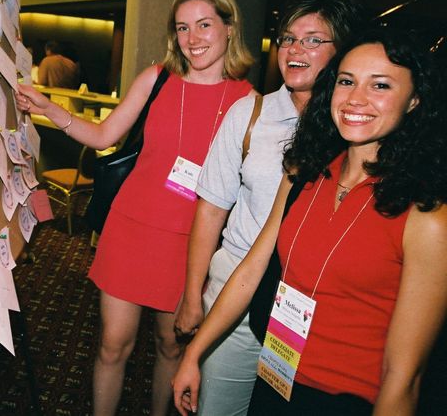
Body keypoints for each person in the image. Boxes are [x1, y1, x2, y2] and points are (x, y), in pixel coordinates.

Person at [172, 28, 447, 415]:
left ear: (415, 100)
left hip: (347, 401)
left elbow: (404, 376)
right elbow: (252, 269)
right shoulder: (303, 173)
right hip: (277, 375)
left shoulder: (426, 216)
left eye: (380, 85)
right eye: (347, 81)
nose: (356, 99)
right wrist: (194, 354)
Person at [16, 0, 255, 415]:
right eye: (182, 28)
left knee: (170, 346)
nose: (193, 39)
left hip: (191, 244)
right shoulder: (158, 78)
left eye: (204, 25)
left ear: (229, 27)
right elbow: (106, 135)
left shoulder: (248, 103)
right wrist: (51, 109)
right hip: (131, 228)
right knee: (112, 346)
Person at [173, 0, 366, 415]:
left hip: (305, 302)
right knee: (217, 408)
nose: (296, 49)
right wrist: (192, 294)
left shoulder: (355, 130)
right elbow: (210, 209)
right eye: (289, 37)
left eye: (314, 39)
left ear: (344, 52)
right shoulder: (250, 114)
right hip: (235, 290)